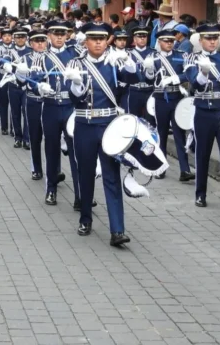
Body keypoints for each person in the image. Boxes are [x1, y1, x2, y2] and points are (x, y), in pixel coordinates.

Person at [64, 22, 137, 245]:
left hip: (108, 125)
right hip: (85, 124)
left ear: (107, 41)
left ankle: (117, 230)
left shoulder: (114, 62)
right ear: (85, 41)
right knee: (85, 174)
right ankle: (85, 219)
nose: (98, 42)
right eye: (93, 39)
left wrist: (128, 61)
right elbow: (74, 98)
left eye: (102, 39)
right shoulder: (75, 63)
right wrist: (76, 84)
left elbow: (133, 80)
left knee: (111, 175)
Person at [26, 20, 81, 207]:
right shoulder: (41, 57)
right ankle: (51, 189)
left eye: (62, 34)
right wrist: (39, 87)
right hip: (50, 107)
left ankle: (80, 194)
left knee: (76, 152)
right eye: (55, 34)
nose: (59, 37)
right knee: (51, 150)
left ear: (67, 35)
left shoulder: (75, 54)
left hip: (71, 107)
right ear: (49, 35)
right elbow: (32, 82)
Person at [185, 24, 220, 210]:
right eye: (208, 38)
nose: (213, 41)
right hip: (203, 111)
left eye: (215, 38)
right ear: (200, 40)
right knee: (202, 154)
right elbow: (194, 83)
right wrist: (203, 73)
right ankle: (200, 194)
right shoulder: (192, 58)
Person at [142, 28, 195, 181]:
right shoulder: (152, 57)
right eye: (166, 41)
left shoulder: (181, 55)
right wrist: (149, 71)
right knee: (162, 133)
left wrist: (175, 79)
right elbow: (148, 80)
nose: (169, 43)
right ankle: (161, 168)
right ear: (159, 42)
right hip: (160, 98)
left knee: (179, 134)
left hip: (177, 97)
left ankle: (185, 170)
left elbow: (189, 73)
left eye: (172, 41)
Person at [6, 28, 31, 149]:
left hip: (26, 86)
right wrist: (7, 65)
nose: (20, 39)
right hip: (13, 85)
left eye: (23, 37)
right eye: (18, 37)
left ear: (26, 38)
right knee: (15, 113)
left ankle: (27, 139)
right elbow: (4, 61)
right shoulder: (9, 51)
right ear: (14, 38)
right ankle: (17, 138)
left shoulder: (30, 51)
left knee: (26, 112)